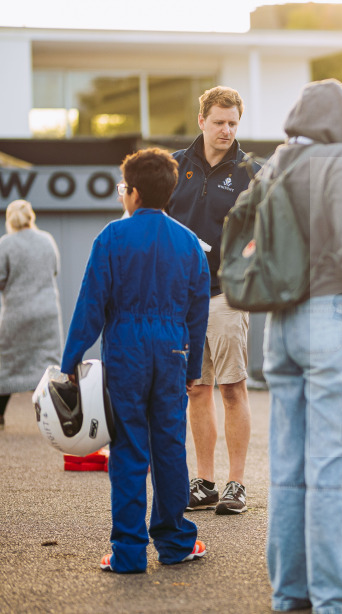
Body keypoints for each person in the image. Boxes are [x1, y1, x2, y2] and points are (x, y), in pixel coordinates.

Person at [261, 79, 342, 613]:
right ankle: (336, 596)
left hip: (281, 322)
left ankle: (291, 592)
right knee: (334, 466)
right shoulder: (341, 161)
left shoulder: (277, 161)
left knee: (288, 468)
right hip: (333, 317)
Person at [61, 148, 210, 573]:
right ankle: (176, 541)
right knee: (168, 447)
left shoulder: (111, 236)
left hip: (126, 347)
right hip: (173, 351)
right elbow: (197, 316)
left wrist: (71, 360)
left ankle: (127, 553)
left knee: (127, 449)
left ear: (134, 192)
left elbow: (90, 304)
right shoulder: (188, 242)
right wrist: (192, 369)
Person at [168, 86, 261, 515]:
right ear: (201, 119)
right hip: (182, 299)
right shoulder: (173, 167)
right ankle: (203, 481)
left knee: (231, 389)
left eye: (233, 123)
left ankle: (236, 484)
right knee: (196, 390)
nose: (226, 130)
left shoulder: (250, 171)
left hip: (227, 295)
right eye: (219, 122)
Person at [0, 200, 64, 430]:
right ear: (31, 216)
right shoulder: (47, 240)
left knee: (7, 364)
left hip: (17, 313)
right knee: (47, 364)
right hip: (46, 313)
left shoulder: (5, 244)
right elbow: (55, 269)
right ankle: (59, 414)